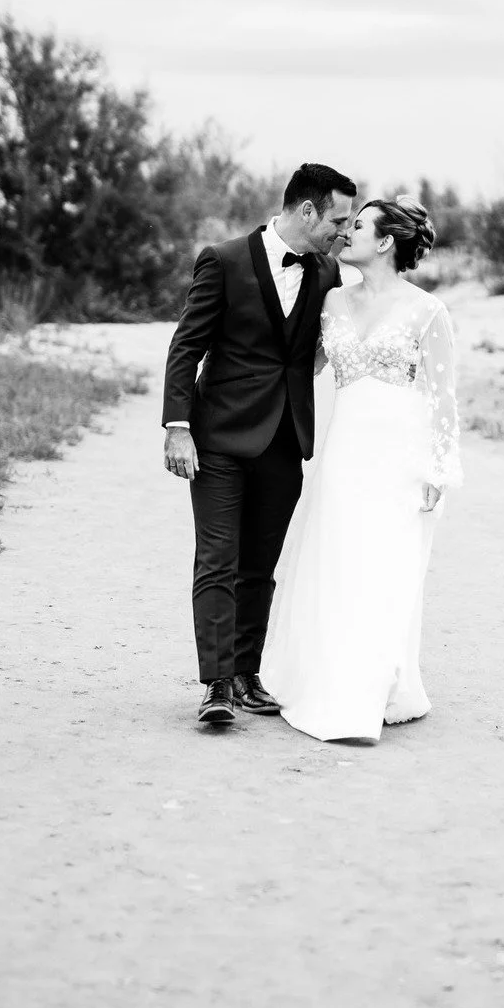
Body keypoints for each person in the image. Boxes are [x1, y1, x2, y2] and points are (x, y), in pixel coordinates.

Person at [161, 163, 357, 727]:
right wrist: (177, 427)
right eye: (338, 220)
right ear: (307, 211)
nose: (343, 232)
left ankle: (247, 674)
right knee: (217, 560)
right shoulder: (223, 260)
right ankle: (217, 683)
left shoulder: (328, 273)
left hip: (285, 439)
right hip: (218, 438)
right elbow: (187, 346)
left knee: (259, 566)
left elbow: (323, 345)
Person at [260, 196, 462, 743]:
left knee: (384, 571)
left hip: (400, 458)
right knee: (338, 562)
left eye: (359, 225)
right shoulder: (331, 302)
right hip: (345, 453)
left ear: (387, 241)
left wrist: (438, 470)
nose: (347, 232)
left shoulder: (427, 311)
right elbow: (303, 366)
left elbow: (443, 397)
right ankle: (327, 680)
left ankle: (369, 690)